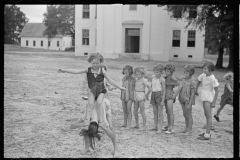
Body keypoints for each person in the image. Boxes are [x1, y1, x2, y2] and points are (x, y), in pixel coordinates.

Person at [58, 52, 125, 127]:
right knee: (90, 104)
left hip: (101, 90)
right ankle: (87, 120)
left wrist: (120, 87)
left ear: (100, 62)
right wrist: (65, 70)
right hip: (91, 90)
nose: (95, 65)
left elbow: (110, 80)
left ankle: (102, 121)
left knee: (100, 103)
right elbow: (77, 71)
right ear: (90, 62)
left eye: (97, 63)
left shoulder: (102, 71)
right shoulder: (88, 70)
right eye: (93, 63)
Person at [195, 62, 219, 140]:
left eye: (205, 68)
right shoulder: (203, 75)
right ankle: (207, 131)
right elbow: (198, 81)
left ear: (210, 69)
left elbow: (217, 90)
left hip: (208, 96)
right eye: (203, 68)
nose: (203, 69)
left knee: (208, 116)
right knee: (206, 114)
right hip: (204, 94)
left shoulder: (212, 78)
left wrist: (214, 102)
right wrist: (196, 90)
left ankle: (207, 135)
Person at [172, 65, 196, 135]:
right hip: (182, 98)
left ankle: (190, 130)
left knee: (189, 115)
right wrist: (174, 95)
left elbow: (193, 93)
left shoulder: (193, 82)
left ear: (191, 73)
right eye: (184, 73)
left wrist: (190, 103)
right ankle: (186, 128)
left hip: (188, 100)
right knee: (185, 114)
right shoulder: (184, 79)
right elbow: (180, 87)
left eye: (186, 73)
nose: (184, 74)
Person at [133, 66, 152, 131]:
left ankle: (144, 126)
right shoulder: (136, 79)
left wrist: (146, 95)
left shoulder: (144, 80)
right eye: (136, 74)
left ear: (142, 74)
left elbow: (150, 89)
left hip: (141, 95)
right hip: (136, 95)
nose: (137, 75)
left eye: (139, 74)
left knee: (142, 111)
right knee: (135, 111)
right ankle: (137, 124)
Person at [163, 63, 180, 134]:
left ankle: (171, 128)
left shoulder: (173, 78)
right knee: (167, 111)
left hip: (170, 96)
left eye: (168, 71)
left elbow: (180, 85)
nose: (166, 72)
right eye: (166, 71)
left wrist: (175, 95)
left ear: (172, 71)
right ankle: (168, 125)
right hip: (165, 95)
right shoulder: (166, 77)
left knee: (170, 112)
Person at [149, 64, 166, 133]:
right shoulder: (153, 77)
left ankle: (160, 128)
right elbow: (151, 86)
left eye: (158, 72)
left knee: (160, 112)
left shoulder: (162, 79)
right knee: (155, 111)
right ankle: (155, 126)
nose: (156, 73)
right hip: (153, 94)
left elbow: (164, 90)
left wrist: (162, 100)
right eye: (155, 72)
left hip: (159, 94)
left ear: (161, 72)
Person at [120, 65, 136, 129]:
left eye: (127, 73)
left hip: (130, 97)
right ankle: (125, 123)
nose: (125, 74)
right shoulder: (123, 79)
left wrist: (134, 97)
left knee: (129, 110)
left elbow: (135, 88)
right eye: (124, 73)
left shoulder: (133, 79)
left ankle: (129, 125)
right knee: (124, 110)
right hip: (123, 96)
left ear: (130, 72)